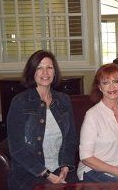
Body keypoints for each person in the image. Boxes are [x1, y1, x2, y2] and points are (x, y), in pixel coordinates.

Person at [7, 50, 78, 190]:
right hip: (30, 173)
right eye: (39, 68)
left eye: (49, 67)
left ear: (54, 72)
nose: (45, 73)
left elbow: (70, 139)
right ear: (32, 72)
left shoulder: (63, 100)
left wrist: (65, 167)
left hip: (62, 171)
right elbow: (17, 149)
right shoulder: (20, 102)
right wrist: (48, 175)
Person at [77, 63, 118, 182]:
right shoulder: (92, 115)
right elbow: (86, 157)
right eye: (106, 83)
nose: (111, 87)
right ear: (100, 87)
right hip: (94, 171)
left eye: (115, 81)